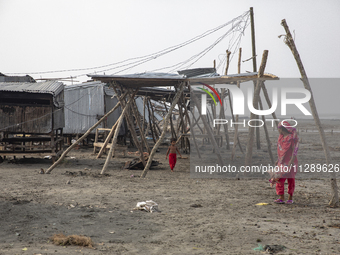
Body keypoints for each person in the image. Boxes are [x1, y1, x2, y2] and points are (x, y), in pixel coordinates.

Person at [269, 121, 299, 204]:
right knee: (279, 179)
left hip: (290, 162)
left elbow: (295, 150)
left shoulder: (291, 138)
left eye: (279, 129)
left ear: (282, 129)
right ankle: (281, 197)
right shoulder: (281, 137)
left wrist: (291, 161)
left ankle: (290, 197)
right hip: (281, 162)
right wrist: (278, 160)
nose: (278, 131)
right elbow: (280, 150)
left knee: (291, 179)